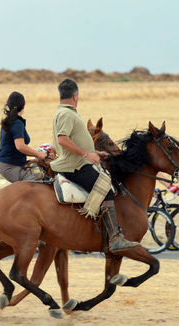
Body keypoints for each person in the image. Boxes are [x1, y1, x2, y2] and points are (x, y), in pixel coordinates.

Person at [50, 78, 138, 253]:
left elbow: (72, 140)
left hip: (76, 161)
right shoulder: (67, 114)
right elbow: (63, 139)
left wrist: (96, 153)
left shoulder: (65, 112)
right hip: (74, 166)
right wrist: (86, 154)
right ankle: (115, 238)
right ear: (75, 96)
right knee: (106, 190)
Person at [0, 91, 47, 183]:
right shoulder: (17, 123)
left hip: (8, 163)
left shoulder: (9, 120)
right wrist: (39, 154)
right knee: (39, 180)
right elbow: (20, 146)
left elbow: (12, 148)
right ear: (23, 106)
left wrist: (33, 159)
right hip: (10, 167)